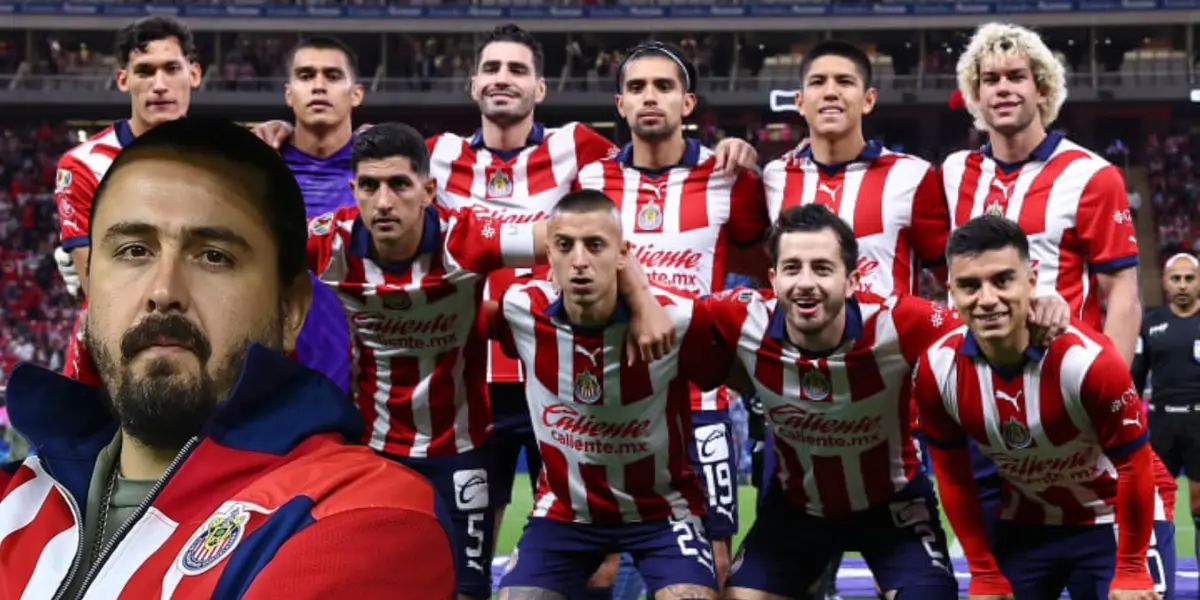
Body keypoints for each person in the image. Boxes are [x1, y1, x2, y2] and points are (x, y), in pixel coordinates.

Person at [251, 29, 758, 565]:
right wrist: (289, 130)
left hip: (555, 372)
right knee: (469, 542)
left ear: (540, 88)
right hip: (472, 381)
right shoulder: (437, 155)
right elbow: (379, 166)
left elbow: (644, 168)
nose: (502, 79)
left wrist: (726, 147)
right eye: (491, 68)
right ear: (472, 85)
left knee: (589, 541)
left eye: (516, 70)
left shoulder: (581, 149)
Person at [0, 117, 455, 598]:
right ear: (90, 285)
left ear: (290, 310)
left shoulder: (368, 518)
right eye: (134, 250)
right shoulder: (15, 498)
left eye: (213, 256)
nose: (163, 291)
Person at [305, 123, 673, 600]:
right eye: (370, 187)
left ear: (429, 191)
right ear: (353, 190)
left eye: (399, 184)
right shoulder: (325, 242)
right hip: (372, 450)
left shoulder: (467, 238)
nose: (383, 201)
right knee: (368, 583)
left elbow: (583, 232)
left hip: (459, 451)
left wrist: (643, 301)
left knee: (466, 592)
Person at [575, 40, 770, 589]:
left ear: (689, 102)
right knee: (600, 567)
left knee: (714, 565)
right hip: (612, 402)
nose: (650, 97)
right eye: (637, 87)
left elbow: (762, 265)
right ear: (620, 104)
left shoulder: (729, 178)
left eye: (664, 86)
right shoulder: (592, 182)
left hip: (701, 403)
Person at [703, 203, 972, 599]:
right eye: (792, 268)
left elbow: (984, 330)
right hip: (798, 507)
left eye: (822, 268)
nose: (805, 282)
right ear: (773, 279)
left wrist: (1041, 313)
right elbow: (669, 314)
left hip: (892, 503)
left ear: (851, 281)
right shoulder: (741, 316)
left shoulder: (899, 321)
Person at [914, 215, 1176, 600]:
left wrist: (1132, 568)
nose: (987, 299)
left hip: (1114, 516)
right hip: (1029, 520)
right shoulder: (937, 370)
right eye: (970, 286)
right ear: (950, 290)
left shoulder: (1087, 363)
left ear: (1031, 281)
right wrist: (983, 571)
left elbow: (1134, 466)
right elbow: (953, 478)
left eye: (1002, 280)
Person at [490, 189, 730, 600]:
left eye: (595, 245)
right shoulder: (520, 310)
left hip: (662, 512)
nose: (580, 261)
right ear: (549, 254)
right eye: (565, 246)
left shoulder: (677, 320)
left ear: (623, 255)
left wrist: (643, 296)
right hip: (564, 513)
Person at [942, 22, 1142, 366]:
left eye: (1016, 77)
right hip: (976, 378)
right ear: (976, 96)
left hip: (1063, 374)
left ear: (1043, 90)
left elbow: (1123, 293)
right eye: (991, 80)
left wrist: (1114, 393)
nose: (1003, 88)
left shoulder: (1091, 175)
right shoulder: (954, 171)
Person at [53, 16, 201, 387]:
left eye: (171, 69)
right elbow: (101, 288)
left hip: (202, 347)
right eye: (145, 71)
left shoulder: (230, 161)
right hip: (114, 354)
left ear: (194, 74)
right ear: (124, 80)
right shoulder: (82, 165)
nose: (159, 85)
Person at [762, 41, 950, 299]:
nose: (830, 92)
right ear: (800, 102)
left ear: (868, 100)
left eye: (844, 82)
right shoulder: (774, 176)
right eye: (817, 82)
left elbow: (951, 275)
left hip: (887, 339)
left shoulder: (912, 176)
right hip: (798, 337)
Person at [273, 35, 365, 393]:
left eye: (332, 75)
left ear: (355, 93)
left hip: (367, 370)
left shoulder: (383, 175)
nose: (319, 86)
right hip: (276, 363)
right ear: (288, 93)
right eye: (306, 75)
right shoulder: (259, 167)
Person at [1133, 252, 1200, 563]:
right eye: (1176, 278)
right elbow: (1134, 378)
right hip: (1161, 423)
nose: (1183, 285)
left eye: (1189, 278)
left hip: (1199, 422)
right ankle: (1159, 581)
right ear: (1165, 282)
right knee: (1156, 503)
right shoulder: (1150, 323)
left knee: (1198, 506)